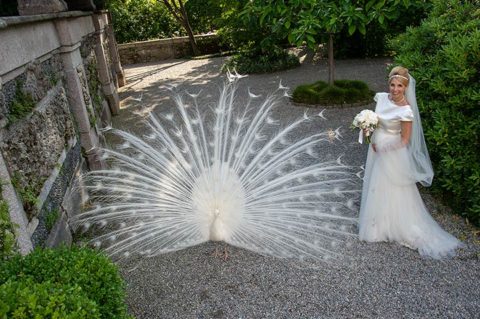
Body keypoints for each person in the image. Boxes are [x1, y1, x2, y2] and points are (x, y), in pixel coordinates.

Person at [358, 66, 463, 258]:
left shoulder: (406, 110)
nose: (395, 89)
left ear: (405, 88)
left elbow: (405, 140)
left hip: (392, 153)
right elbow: (375, 122)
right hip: (375, 149)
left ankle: (396, 225)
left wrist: (384, 148)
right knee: (376, 186)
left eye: (399, 86)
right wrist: (368, 129)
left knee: (394, 189)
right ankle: (377, 224)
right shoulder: (381, 98)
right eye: (392, 84)